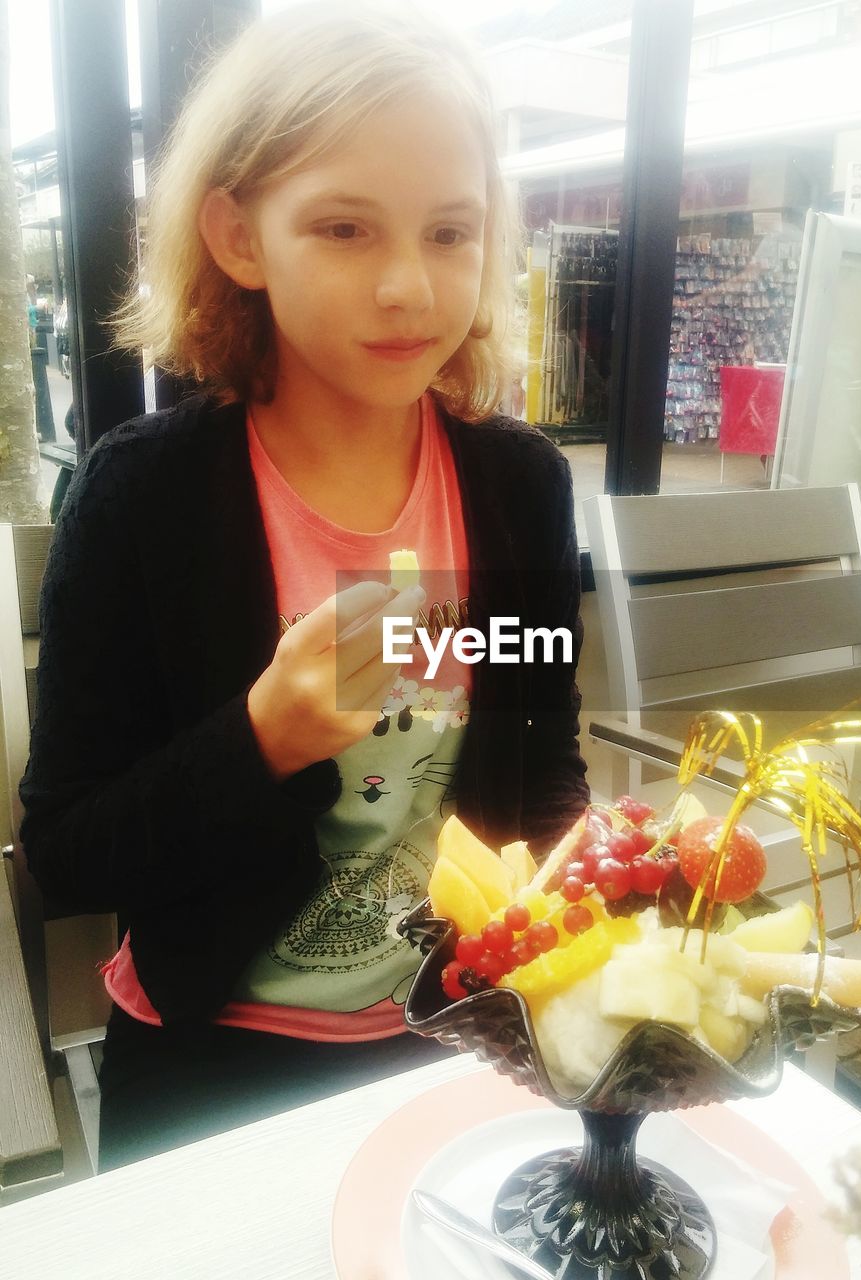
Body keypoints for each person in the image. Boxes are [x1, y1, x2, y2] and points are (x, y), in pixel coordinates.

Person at [19, 1, 589, 1170]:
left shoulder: (517, 485)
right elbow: (66, 855)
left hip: (460, 1034)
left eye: (449, 232)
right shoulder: (145, 500)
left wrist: (592, 913)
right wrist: (262, 737)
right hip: (209, 1065)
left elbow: (541, 757)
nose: (406, 287)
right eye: (342, 228)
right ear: (238, 236)